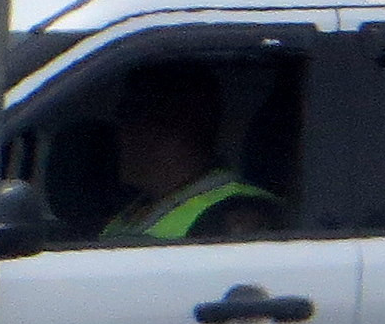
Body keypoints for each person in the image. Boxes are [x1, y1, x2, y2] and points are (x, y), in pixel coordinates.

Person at [97, 62, 281, 241]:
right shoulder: (137, 208)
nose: (119, 133)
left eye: (126, 115)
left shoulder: (236, 216)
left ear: (173, 126)